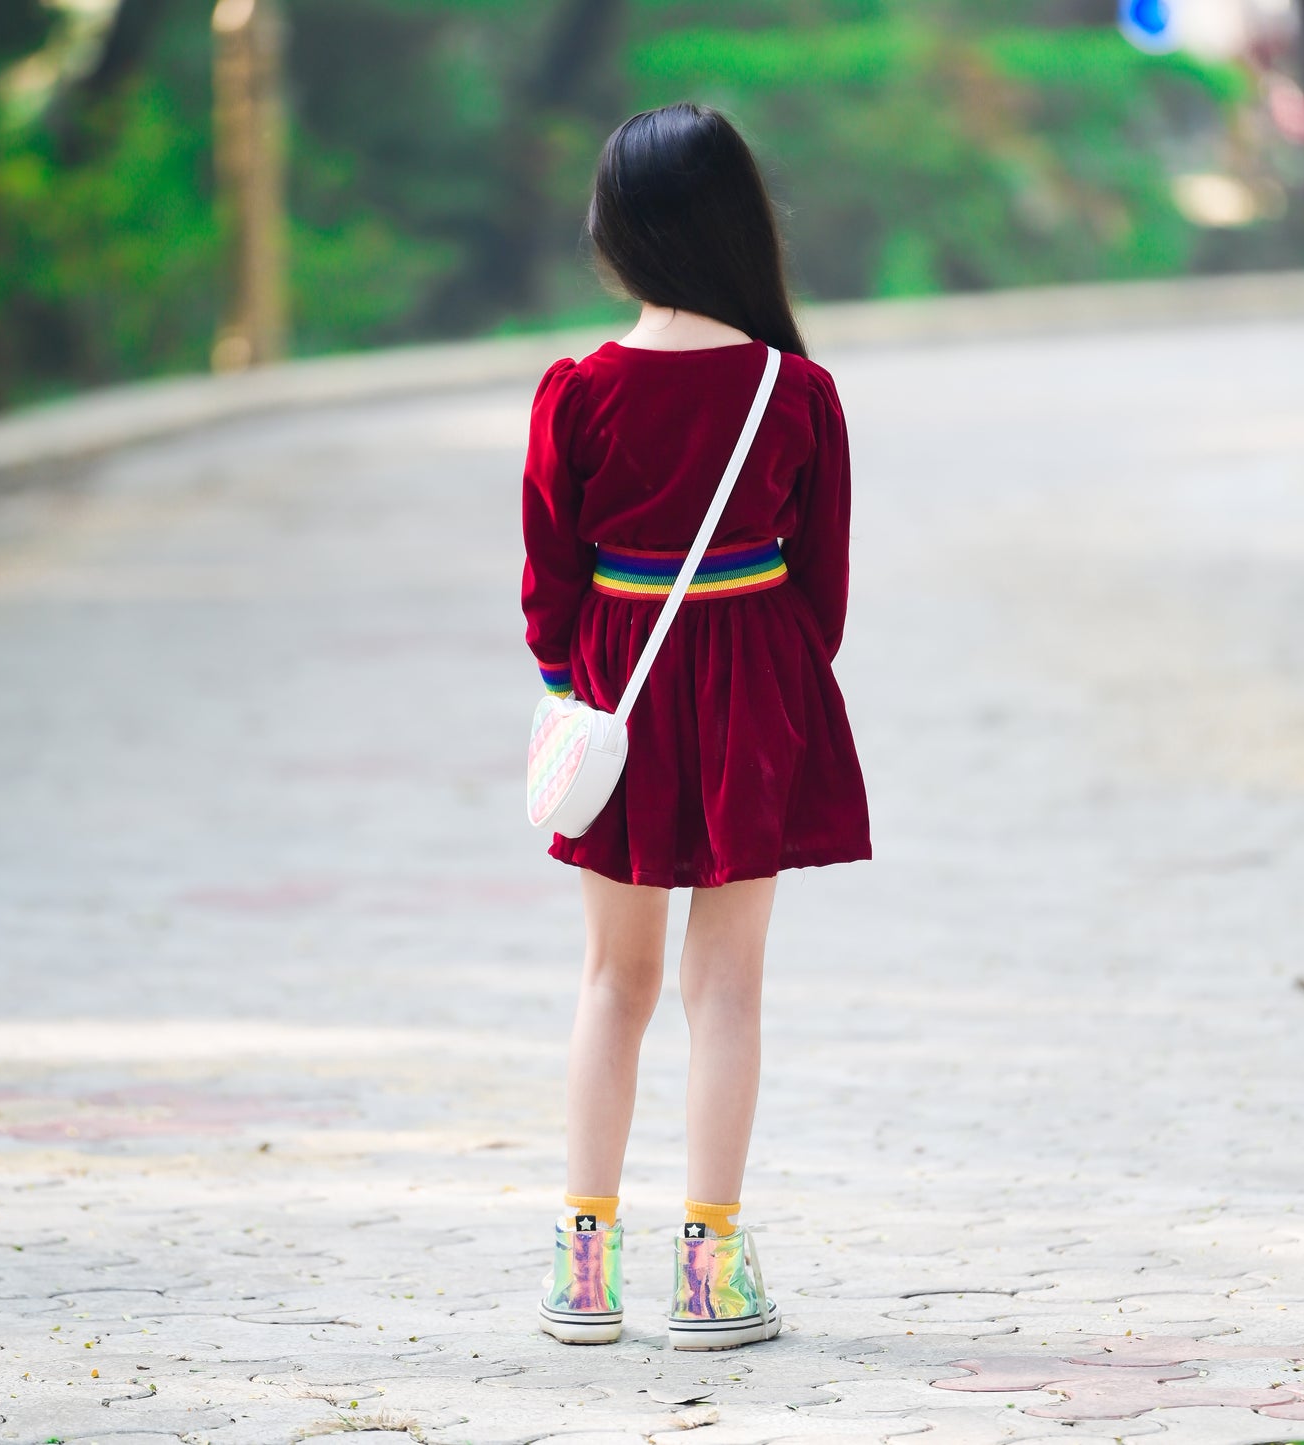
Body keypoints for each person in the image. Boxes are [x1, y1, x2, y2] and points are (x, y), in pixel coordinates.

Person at [521, 101, 871, 1351]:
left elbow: (548, 584)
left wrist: (580, 680)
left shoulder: (578, 391)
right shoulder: (795, 389)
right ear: (739, 223)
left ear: (614, 230)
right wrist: (765, 685)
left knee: (611, 981)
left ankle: (581, 1262)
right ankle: (710, 1268)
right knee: (725, 988)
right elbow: (819, 591)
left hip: (618, 686)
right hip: (752, 697)